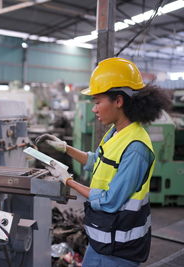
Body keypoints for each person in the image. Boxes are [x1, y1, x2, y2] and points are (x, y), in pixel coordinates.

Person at [35, 58, 171, 266]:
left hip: (120, 247)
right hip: (102, 238)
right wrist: (65, 148)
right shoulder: (116, 132)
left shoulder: (136, 148)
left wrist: (67, 180)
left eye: (98, 102)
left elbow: (110, 200)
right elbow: (96, 161)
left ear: (118, 101)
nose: (95, 109)